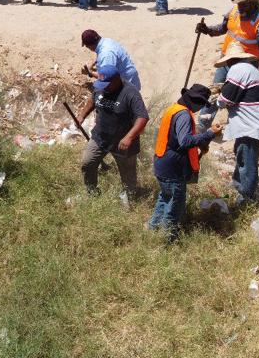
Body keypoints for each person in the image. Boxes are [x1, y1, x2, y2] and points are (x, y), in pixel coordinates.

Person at [149, 85, 222, 241]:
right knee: (174, 207)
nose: (200, 108)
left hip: (162, 164)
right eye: (202, 104)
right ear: (196, 101)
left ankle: (152, 231)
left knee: (165, 198)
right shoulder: (183, 115)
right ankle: (167, 241)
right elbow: (185, 141)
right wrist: (209, 134)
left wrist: (202, 142)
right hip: (173, 169)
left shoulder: (173, 109)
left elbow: (176, 139)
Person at [75, 67, 149, 201]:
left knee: (128, 176)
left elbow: (142, 118)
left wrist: (129, 137)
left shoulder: (130, 93)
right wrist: (82, 115)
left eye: (106, 85)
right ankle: (91, 192)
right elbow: (93, 99)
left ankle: (129, 199)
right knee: (88, 163)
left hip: (122, 142)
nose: (103, 88)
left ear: (116, 80)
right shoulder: (101, 86)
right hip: (100, 137)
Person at [213, 42, 259, 205]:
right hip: (254, 122)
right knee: (241, 153)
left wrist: (217, 101)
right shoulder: (252, 70)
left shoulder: (237, 70)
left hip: (250, 124)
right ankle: (238, 187)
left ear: (231, 60)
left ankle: (246, 199)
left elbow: (226, 98)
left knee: (246, 160)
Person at [195, 0, 259, 83]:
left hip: (246, 67)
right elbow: (223, 28)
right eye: (239, 4)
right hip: (225, 60)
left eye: (244, 4)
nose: (240, 7)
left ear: (253, 4)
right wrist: (207, 29)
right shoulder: (234, 11)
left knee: (235, 95)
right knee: (215, 90)